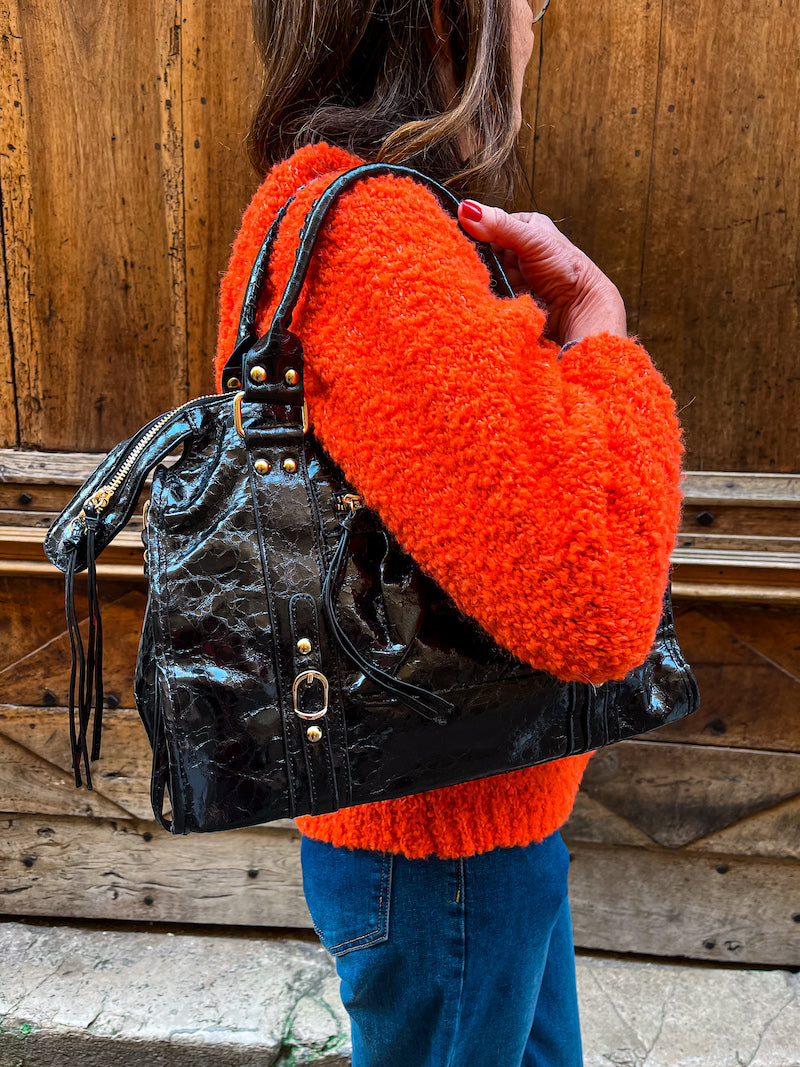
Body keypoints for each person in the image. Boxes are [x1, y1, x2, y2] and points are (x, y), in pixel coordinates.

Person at [214, 1, 684, 1064]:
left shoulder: (366, 221)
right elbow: (595, 603)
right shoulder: (374, 239)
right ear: (443, 15)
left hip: (475, 825)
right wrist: (598, 325)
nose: (538, 14)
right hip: (443, 853)